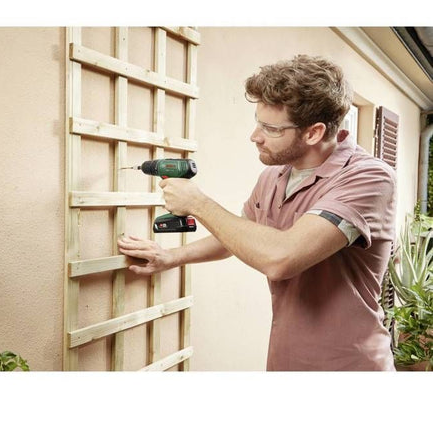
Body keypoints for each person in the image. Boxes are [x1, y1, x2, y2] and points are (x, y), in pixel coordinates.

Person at [117, 54, 397, 371]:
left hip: (349, 367)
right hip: (285, 359)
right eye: (258, 122)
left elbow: (280, 259)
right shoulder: (275, 175)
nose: (255, 136)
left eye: (270, 128)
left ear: (313, 133)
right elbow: (236, 235)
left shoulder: (369, 178)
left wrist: (198, 203)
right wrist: (171, 257)